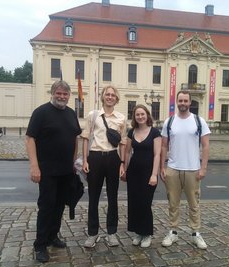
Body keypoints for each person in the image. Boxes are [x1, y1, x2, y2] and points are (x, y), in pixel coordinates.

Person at [25, 80, 82, 263]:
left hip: (66, 170)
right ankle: (40, 244)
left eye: (65, 94)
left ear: (69, 96)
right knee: (46, 206)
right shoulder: (41, 112)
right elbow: (30, 139)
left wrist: (74, 162)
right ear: (52, 93)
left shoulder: (71, 114)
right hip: (47, 170)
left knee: (59, 206)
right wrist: (34, 166)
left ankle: (52, 236)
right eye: (59, 93)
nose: (62, 97)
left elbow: (75, 139)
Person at [160, 90, 211, 250]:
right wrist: (162, 166)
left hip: (192, 169)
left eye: (185, 101)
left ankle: (196, 233)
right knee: (173, 203)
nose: (183, 103)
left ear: (190, 103)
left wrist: (203, 168)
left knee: (194, 204)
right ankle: (173, 232)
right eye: (180, 101)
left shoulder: (198, 121)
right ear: (177, 102)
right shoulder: (170, 121)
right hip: (173, 169)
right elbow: (163, 145)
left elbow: (206, 145)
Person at [81, 85, 127, 248]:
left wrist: (122, 163)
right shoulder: (93, 116)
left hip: (113, 158)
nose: (110, 97)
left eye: (113, 95)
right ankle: (92, 234)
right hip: (95, 157)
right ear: (102, 97)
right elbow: (85, 138)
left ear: (116, 98)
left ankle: (112, 233)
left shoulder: (121, 118)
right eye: (107, 94)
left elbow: (123, 142)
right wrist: (85, 160)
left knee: (113, 197)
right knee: (93, 197)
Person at [122, 105, 161, 248]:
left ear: (147, 115)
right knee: (134, 203)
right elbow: (127, 153)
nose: (140, 117)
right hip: (134, 172)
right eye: (137, 115)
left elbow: (157, 154)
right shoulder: (131, 132)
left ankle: (147, 234)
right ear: (134, 117)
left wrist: (154, 174)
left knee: (145, 203)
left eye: (142, 114)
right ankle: (138, 232)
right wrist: (124, 170)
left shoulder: (155, 132)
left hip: (148, 173)